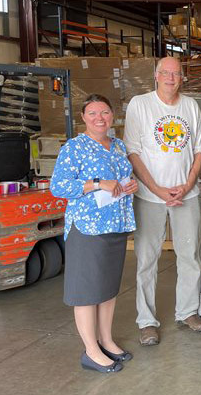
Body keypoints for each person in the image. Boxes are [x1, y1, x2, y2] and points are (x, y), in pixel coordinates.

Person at [51, 94, 138, 373]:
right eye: (93, 113)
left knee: (107, 290)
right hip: (88, 228)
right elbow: (59, 186)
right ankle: (91, 351)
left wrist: (130, 185)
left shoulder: (119, 145)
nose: (100, 118)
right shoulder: (74, 148)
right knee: (87, 292)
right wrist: (98, 183)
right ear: (83, 117)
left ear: (112, 115)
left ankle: (106, 341)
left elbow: (122, 179)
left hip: (116, 225)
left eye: (104, 112)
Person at [124, 56, 201, 346]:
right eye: (166, 73)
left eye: (176, 73)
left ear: (182, 78)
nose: (171, 77)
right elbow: (132, 152)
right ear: (156, 76)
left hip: (187, 194)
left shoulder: (190, 106)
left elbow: (199, 150)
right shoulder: (140, 104)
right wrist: (157, 189)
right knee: (147, 259)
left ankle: (187, 312)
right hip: (150, 196)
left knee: (189, 256)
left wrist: (189, 183)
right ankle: (147, 322)